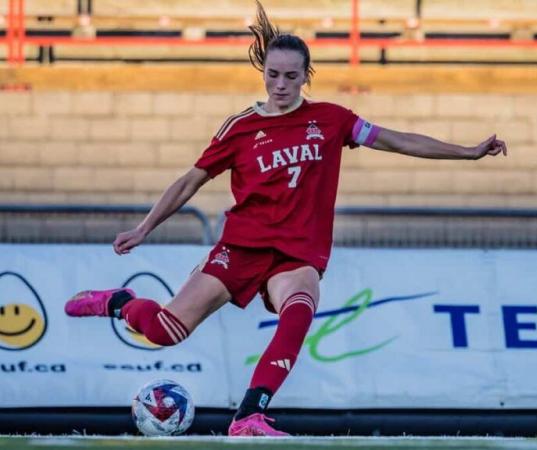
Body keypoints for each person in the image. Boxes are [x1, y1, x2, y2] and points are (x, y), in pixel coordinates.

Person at [64, 0, 507, 437]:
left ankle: (249, 416)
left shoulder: (333, 119)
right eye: (273, 75)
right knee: (164, 331)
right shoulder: (239, 127)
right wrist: (144, 228)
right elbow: (189, 182)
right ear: (264, 73)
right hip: (241, 246)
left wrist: (466, 152)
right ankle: (118, 302)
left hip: (296, 253)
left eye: (291, 76)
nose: (280, 85)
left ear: (305, 75)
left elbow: (396, 140)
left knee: (299, 310)